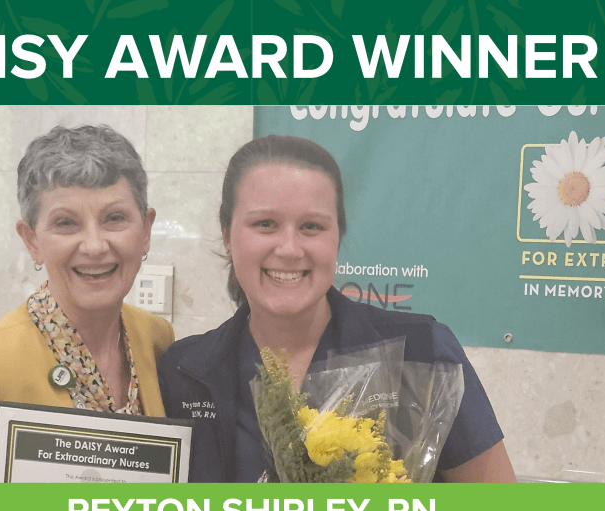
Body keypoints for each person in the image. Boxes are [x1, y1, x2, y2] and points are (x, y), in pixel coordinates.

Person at [158, 135, 516, 483]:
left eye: (311, 226)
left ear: (337, 236)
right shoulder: (184, 373)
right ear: (227, 235)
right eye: (265, 224)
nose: (289, 248)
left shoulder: (423, 353)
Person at [0, 125, 173, 482]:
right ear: (32, 241)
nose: (94, 246)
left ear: (146, 230)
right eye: (66, 223)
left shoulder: (156, 338)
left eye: (114, 218)